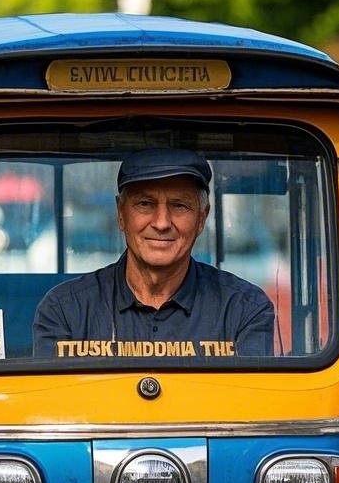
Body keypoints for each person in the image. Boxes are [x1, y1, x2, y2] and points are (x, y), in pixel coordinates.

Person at [33, 149, 274, 360]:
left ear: (201, 218)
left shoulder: (244, 309)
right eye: (145, 204)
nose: (161, 223)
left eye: (179, 205)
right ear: (121, 213)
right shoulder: (65, 309)